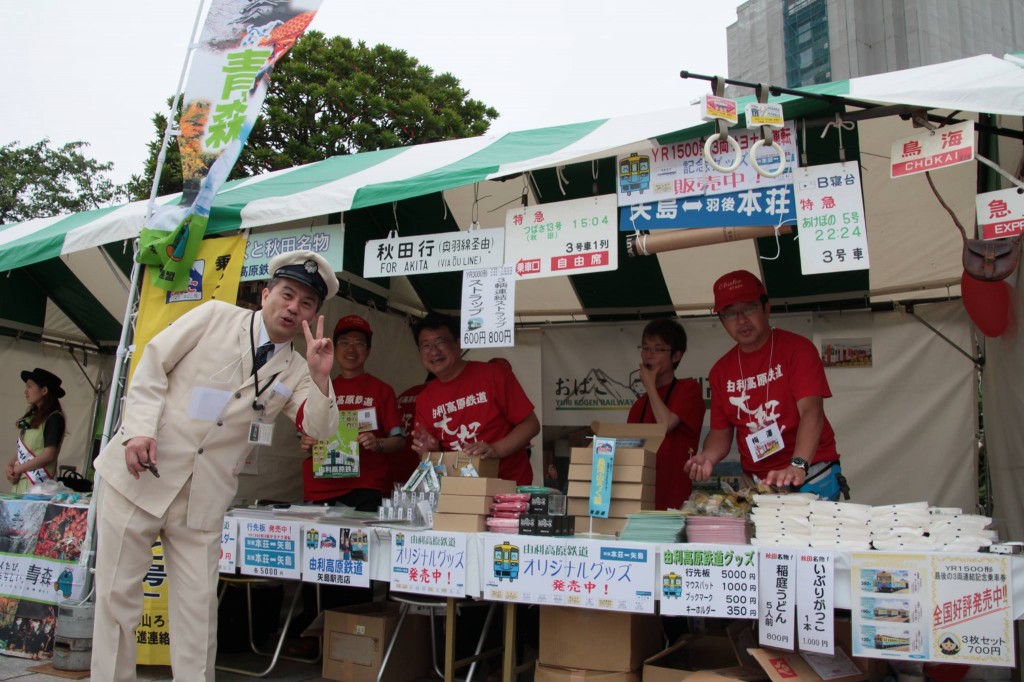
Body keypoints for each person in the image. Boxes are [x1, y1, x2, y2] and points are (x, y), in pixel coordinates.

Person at [91, 250, 340, 682]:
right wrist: (138, 430)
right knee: (117, 599)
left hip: (203, 498)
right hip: (141, 472)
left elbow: (319, 428)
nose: (293, 307)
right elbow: (153, 364)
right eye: (287, 294)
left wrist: (321, 378)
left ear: (314, 314)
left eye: (306, 303)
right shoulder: (213, 317)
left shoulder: (299, 367)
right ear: (265, 294)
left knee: (198, 608)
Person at [684, 270, 847, 500]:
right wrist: (707, 457)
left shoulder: (797, 350)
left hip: (809, 475)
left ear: (766, 308)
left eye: (749, 308)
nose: (741, 320)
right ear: (722, 321)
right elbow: (721, 432)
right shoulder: (721, 371)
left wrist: (798, 464)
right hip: (758, 484)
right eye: (730, 314)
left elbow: (812, 412)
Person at [410, 313, 539, 486]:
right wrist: (431, 451)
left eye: (441, 342)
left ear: (459, 344)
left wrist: (496, 449)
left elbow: (531, 424)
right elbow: (431, 457)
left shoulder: (494, 375)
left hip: (509, 488)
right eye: (426, 345)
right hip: (462, 491)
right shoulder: (425, 398)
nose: (434, 351)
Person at [298, 314, 405, 511]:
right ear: (334, 348)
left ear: (369, 350)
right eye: (344, 342)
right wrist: (306, 442)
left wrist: (378, 443)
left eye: (359, 343)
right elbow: (304, 435)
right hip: (320, 489)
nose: (351, 349)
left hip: (365, 488)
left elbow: (399, 441)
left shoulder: (382, 391)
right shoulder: (319, 388)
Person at [627, 319, 706, 510]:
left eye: (657, 349)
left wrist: (650, 386)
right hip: (639, 500)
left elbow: (665, 424)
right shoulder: (639, 405)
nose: (648, 355)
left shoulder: (688, 389)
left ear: (676, 355)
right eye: (645, 348)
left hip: (674, 501)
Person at [9, 369, 66, 492]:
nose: (26, 391)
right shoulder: (31, 418)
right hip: (21, 487)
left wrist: (19, 469)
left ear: (44, 390)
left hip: (39, 488)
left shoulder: (54, 418)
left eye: (29, 386)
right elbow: (26, 448)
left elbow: (48, 455)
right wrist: (11, 465)